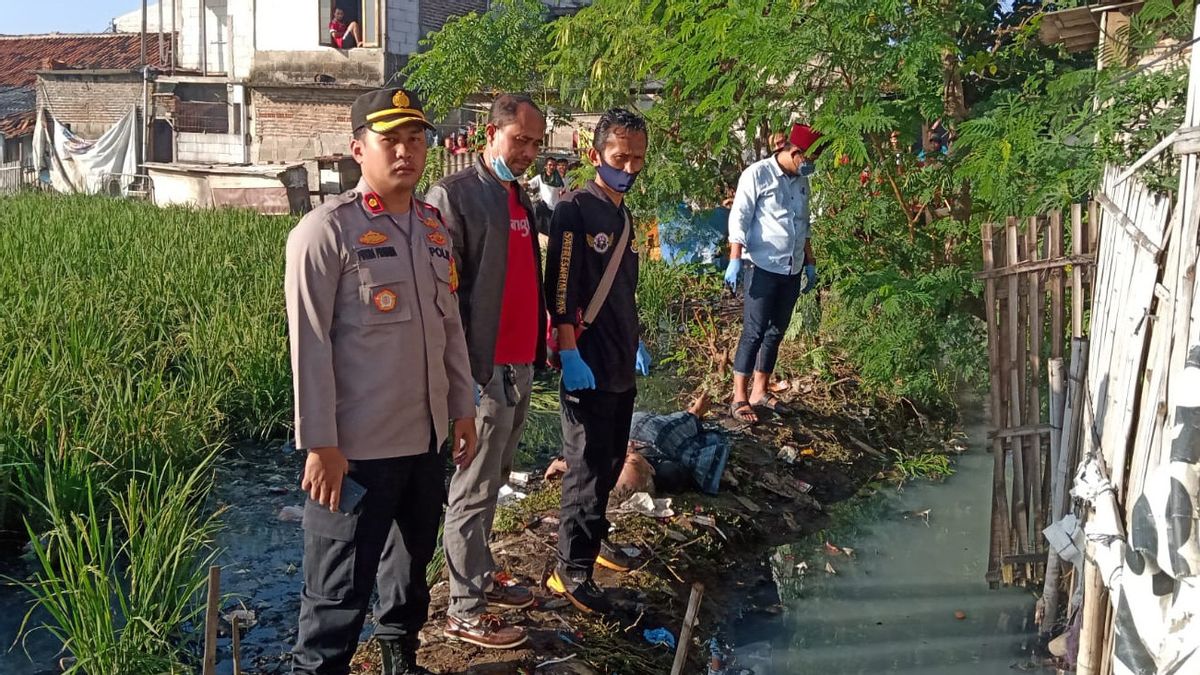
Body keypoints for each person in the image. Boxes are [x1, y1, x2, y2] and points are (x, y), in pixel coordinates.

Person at [285, 87, 477, 675]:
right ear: (357, 149)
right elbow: (310, 347)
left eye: (415, 139)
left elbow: (450, 329)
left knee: (409, 574)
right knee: (336, 596)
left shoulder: (433, 227)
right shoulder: (325, 232)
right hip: (356, 454)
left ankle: (401, 659)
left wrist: (463, 409)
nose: (405, 152)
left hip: (423, 443)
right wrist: (320, 444)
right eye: (389, 139)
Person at [424, 93, 547, 650]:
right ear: (490, 134)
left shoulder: (517, 196)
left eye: (535, 143)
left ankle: (482, 573)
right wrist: (462, 377)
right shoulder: (455, 196)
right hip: (483, 366)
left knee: (496, 477)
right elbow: (443, 298)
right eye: (518, 139)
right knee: (472, 487)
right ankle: (464, 609)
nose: (527, 151)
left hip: (520, 361)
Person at [542, 108, 652, 614]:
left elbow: (621, 290)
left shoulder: (623, 215)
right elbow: (560, 286)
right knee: (584, 466)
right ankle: (573, 571)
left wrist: (634, 338)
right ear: (596, 155)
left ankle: (594, 543)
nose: (628, 168)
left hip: (618, 356)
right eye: (619, 157)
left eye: (636, 159)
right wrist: (567, 349)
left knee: (609, 461)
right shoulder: (575, 209)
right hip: (585, 358)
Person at [723, 123, 821, 424]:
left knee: (776, 330)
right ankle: (740, 396)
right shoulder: (758, 174)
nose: (810, 166)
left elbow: (803, 224)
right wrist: (735, 258)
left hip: (790, 267)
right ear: (794, 151)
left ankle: (760, 391)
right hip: (761, 266)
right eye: (807, 159)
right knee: (754, 330)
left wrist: (810, 262)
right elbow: (740, 216)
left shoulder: (801, 184)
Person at [527, 157, 565, 235]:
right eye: (550, 165)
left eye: (554, 165)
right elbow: (528, 184)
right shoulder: (540, 178)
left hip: (554, 209)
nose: (552, 167)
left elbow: (562, 193)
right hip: (544, 207)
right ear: (546, 166)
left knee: (553, 232)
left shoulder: (559, 180)